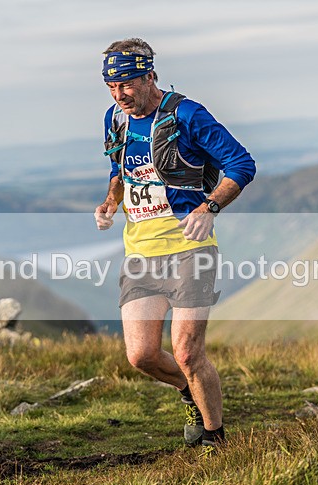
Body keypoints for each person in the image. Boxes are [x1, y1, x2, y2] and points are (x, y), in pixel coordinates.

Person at [94, 38, 255, 454]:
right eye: (111, 86)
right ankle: (189, 392)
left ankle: (216, 440)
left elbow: (241, 163)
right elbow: (118, 170)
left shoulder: (187, 115)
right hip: (140, 254)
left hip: (190, 249)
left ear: (150, 76)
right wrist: (110, 201)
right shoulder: (115, 118)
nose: (119, 94)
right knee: (141, 356)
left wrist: (209, 207)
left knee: (186, 351)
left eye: (127, 84)